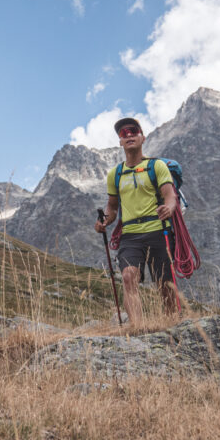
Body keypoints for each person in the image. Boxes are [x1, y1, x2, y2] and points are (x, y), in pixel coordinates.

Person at [94, 117, 180, 324]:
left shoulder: (156, 166)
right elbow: (112, 206)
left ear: (143, 137)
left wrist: (168, 209)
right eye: (123, 133)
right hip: (130, 236)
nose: (129, 135)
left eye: (133, 131)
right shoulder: (115, 174)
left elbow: (170, 196)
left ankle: (172, 325)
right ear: (120, 142)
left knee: (164, 285)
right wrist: (105, 220)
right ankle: (137, 328)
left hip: (159, 230)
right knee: (128, 277)